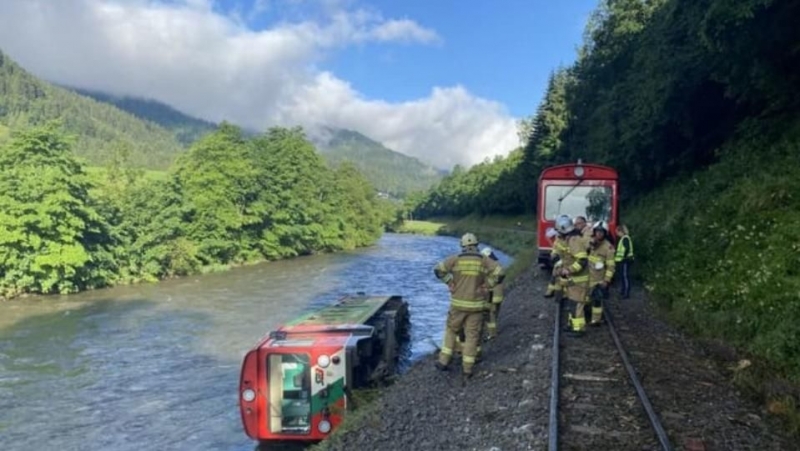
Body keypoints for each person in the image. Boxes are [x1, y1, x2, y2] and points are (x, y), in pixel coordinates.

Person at [434, 233, 504, 379]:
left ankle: (443, 361)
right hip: (477, 306)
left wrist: (450, 282)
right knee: (472, 336)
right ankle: (467, 370)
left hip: (457, 305)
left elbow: (438, 270)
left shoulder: (455, 259)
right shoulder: (484, 260)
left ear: (462, 246)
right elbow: (500, 272)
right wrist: (488, 285)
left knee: (451, 331)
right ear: (476, 246)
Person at [554, 215, 590, 334]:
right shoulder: (570, 239)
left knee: (577, 304)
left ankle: (578, 329)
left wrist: (569, 270)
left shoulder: (574, 240)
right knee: (572, 303)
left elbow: (582, 260)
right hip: (574, 279)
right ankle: (572, 325)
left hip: (579, 280)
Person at [586, 221, 616, 325]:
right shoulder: (590, 243)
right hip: (587, 276)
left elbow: (611, 266)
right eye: (597, 231)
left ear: (605, 233)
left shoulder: (608, 248)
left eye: (601, 232)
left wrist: (606, 280)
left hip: (598, 280)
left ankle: (596, 320)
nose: (599, 234)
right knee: (585, 299)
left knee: (597, 300)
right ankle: (587, 314)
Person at [480, 246, 504, 340]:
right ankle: (492, 330)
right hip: (499, 293)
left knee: (490, 313)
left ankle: (492, 334)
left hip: (492, 293)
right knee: (495, 312)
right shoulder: (498, 264)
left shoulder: (490, 265)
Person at [544, 227, 567, 298]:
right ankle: (552, 290)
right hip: (561, 258)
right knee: (556, 272)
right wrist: (554, 255)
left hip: (569, 259)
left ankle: (565, 292)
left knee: (566, 275)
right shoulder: (558, 238)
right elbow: (555, 248)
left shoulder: (571, 238)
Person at [614, 224, 634, 299]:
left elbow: (626, 249)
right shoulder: (623, 238)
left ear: (621, 231)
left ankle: (626, 293)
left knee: (625, 276)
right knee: (623, 276)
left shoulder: (625, 238)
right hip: (623, 260)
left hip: (626, 260)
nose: (617, 234)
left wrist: (623, 257)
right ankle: (623, 291)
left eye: (617, 232)